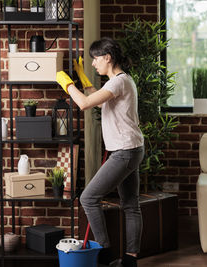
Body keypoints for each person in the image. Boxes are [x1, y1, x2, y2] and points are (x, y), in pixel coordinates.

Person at [56, 37, 144, 267]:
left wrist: (67, 84)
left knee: (88, 197)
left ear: (107, 57)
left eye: (95, 59)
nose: (94, 63)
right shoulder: (120, 82)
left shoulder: (118, 82)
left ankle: (104, 255)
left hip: (124, 151)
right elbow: (96, 99)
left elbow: (84, 104)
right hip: (131, 149)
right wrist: (83, 78)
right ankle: (129, 261)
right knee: (131, 205)